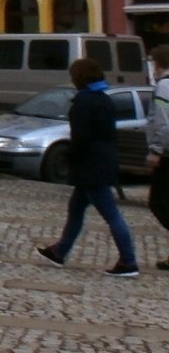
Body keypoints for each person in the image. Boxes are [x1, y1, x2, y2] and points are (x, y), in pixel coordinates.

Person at [37, 56, 139, 277]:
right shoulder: (104, 99)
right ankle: (59, 251)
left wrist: (70, 157)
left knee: (111, 214)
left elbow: (81, 138)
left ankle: (129, 261)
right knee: (75, 209)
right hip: (104, 161)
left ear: (78, 79)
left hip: (90, 167)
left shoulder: (83, 103)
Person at [145, 44, 169, 270]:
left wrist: (156, 150)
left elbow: (163, 122)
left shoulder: (163, 86)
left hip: (168, 154)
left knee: (158, 203)